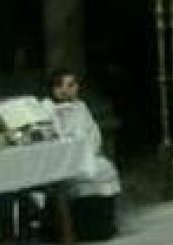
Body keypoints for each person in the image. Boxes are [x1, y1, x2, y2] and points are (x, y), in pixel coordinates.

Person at [46, 70, 121, 229]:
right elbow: (56, 135)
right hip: (64, 159)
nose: (75, 88)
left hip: (86, 154)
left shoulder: (81, 106)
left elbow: (93, 131)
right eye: (70, 85)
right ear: (58, 89)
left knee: (104, 168)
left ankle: (100, 225)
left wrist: (89, 149)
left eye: (74, 85)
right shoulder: (49, 108)